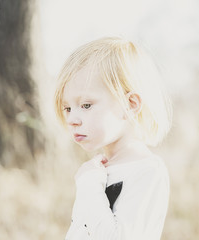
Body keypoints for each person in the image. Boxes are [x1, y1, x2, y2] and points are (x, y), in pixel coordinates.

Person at [54, 36, 172, 240]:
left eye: (86, 105)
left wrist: (90, 185)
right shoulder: (98, 169)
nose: (72, 119)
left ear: (130, 104)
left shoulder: (147, 171)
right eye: (67, 108)